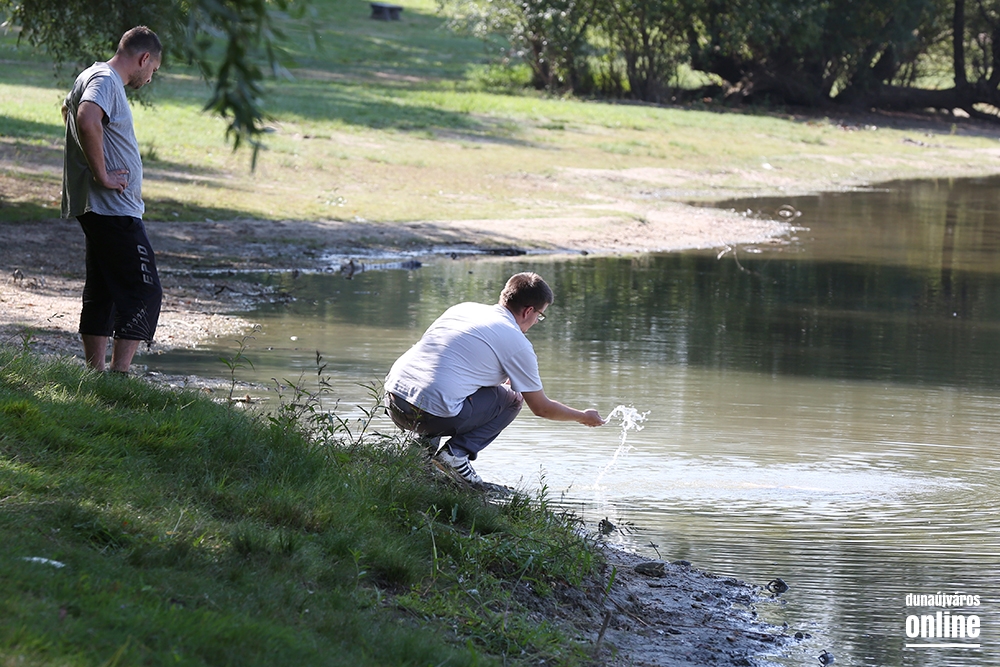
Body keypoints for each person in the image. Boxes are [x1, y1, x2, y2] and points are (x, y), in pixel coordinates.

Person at [385, 272, 605, 484]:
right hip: (430, 416)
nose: (537, 321)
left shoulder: (463, 309)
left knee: (444, 387)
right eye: (540, 315)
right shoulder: (517, 342)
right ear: (528, 311)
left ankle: (420, 450)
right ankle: (455, 456)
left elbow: (449, 364)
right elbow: (541, 408)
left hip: (394, 402)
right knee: (513, 399)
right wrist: (582, 416)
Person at [61, 26, 163, 373]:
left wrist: (93, 162)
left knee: (103, 289)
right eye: (153, 69)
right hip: (112, 207)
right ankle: (119, 376)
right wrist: (102, 174)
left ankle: (96, 375)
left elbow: (69, 111)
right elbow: (86, 118)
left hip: (99, 206)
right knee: (145, 290)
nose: (150, 78)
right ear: (144, 58)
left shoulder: (91, 75)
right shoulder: (105, 79)